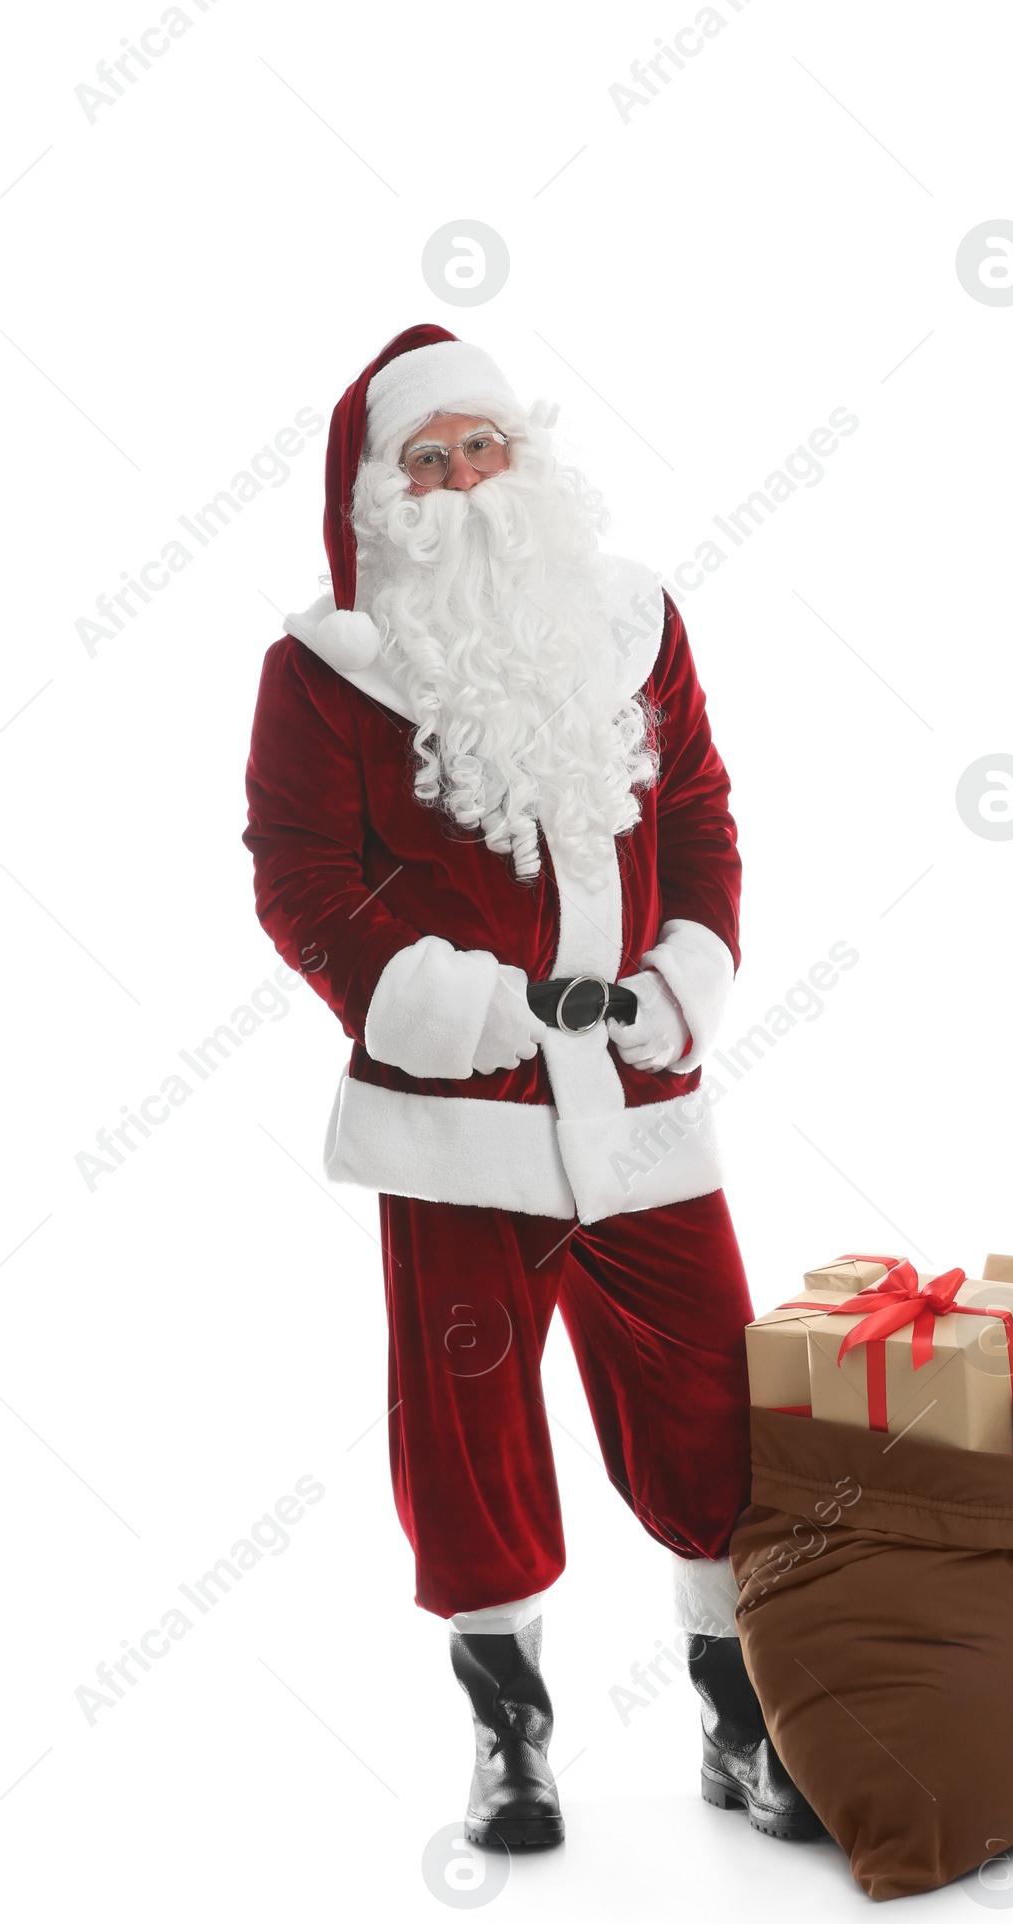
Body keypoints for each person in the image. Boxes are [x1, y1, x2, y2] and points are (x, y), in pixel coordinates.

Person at [243, 324, 822, 1847]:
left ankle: (740, 1716)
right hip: (461, 1124)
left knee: (715, 1410)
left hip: (640, 1099)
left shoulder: (634, 623)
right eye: (424, 464)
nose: (460, 483)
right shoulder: (322, 676)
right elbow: (302, 883)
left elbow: (696, 811)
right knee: (472, 1429)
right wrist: (461, 1007)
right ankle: (512, 1734)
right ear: (380, 503)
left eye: (480, 448)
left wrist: (686, 973)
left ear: (529, 460)